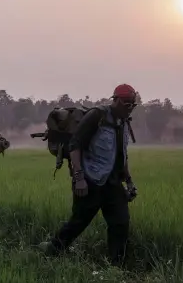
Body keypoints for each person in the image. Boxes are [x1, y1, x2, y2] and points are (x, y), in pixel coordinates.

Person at [39, 83, 139, 267]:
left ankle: (117, 267)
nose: (130, 108)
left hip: (113, 183)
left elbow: (122, 154)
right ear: (115, 100)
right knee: (78, 222)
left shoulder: (124, 123)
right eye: (126, 103)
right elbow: (75, 145)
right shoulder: (97, 116)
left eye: (133, 104)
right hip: (90, 181)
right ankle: (52, 250)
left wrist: (129, 181)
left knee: (120, 224)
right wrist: (79, 178)